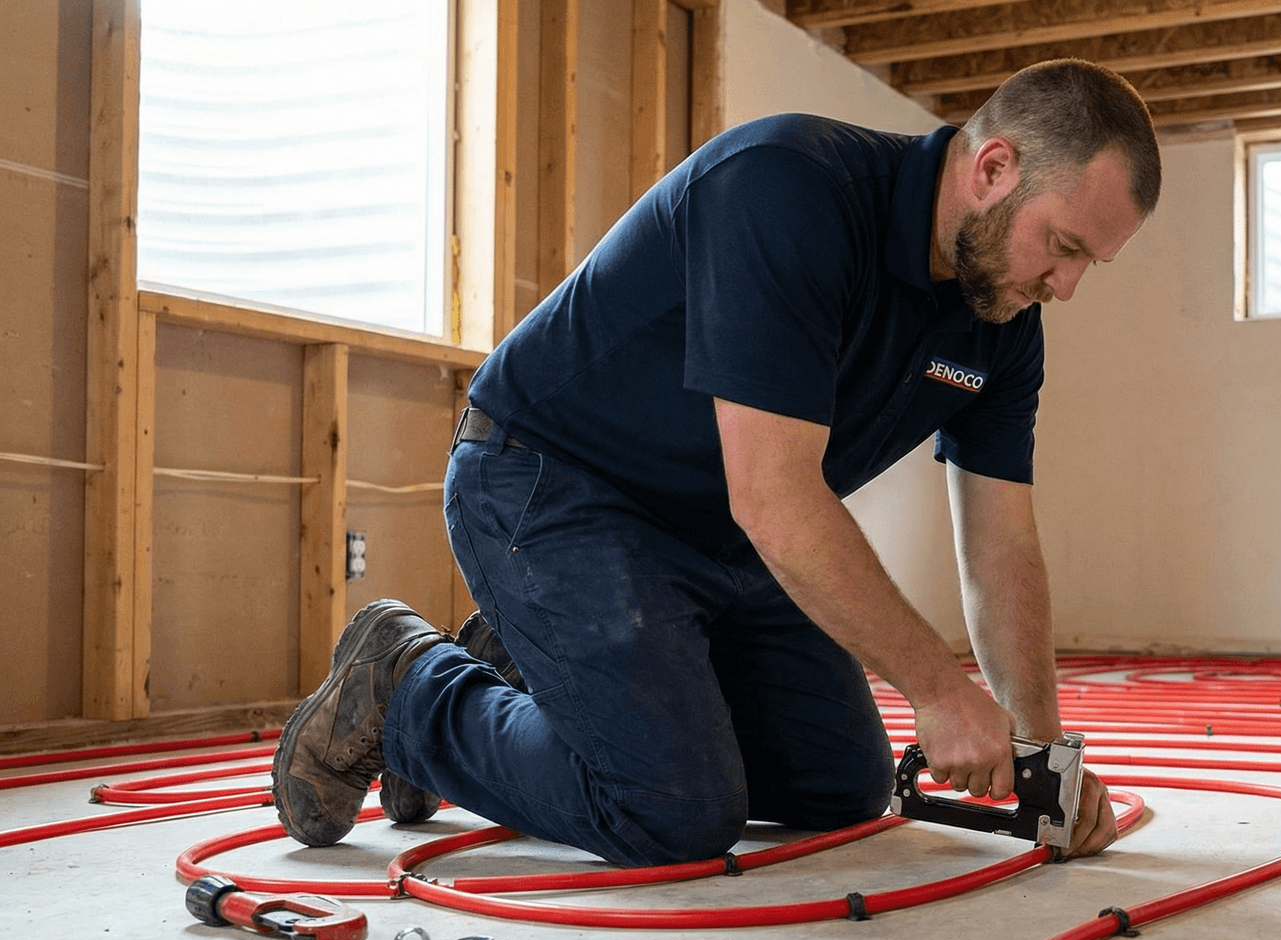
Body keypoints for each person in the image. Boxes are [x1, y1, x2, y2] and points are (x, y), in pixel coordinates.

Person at [270, 59, 1161, 869]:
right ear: (994, 168)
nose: (1068, 285)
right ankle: (410, 690)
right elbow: (774, 496)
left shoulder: (1002, 319)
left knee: (836, 790)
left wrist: (1043, 757)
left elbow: (1002, 541)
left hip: (723, 537)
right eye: (1066, 245)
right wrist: (936, 687)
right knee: (673, 810)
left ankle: (535, 666)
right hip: (552, 486)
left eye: (1093, 262)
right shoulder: (788, 189)